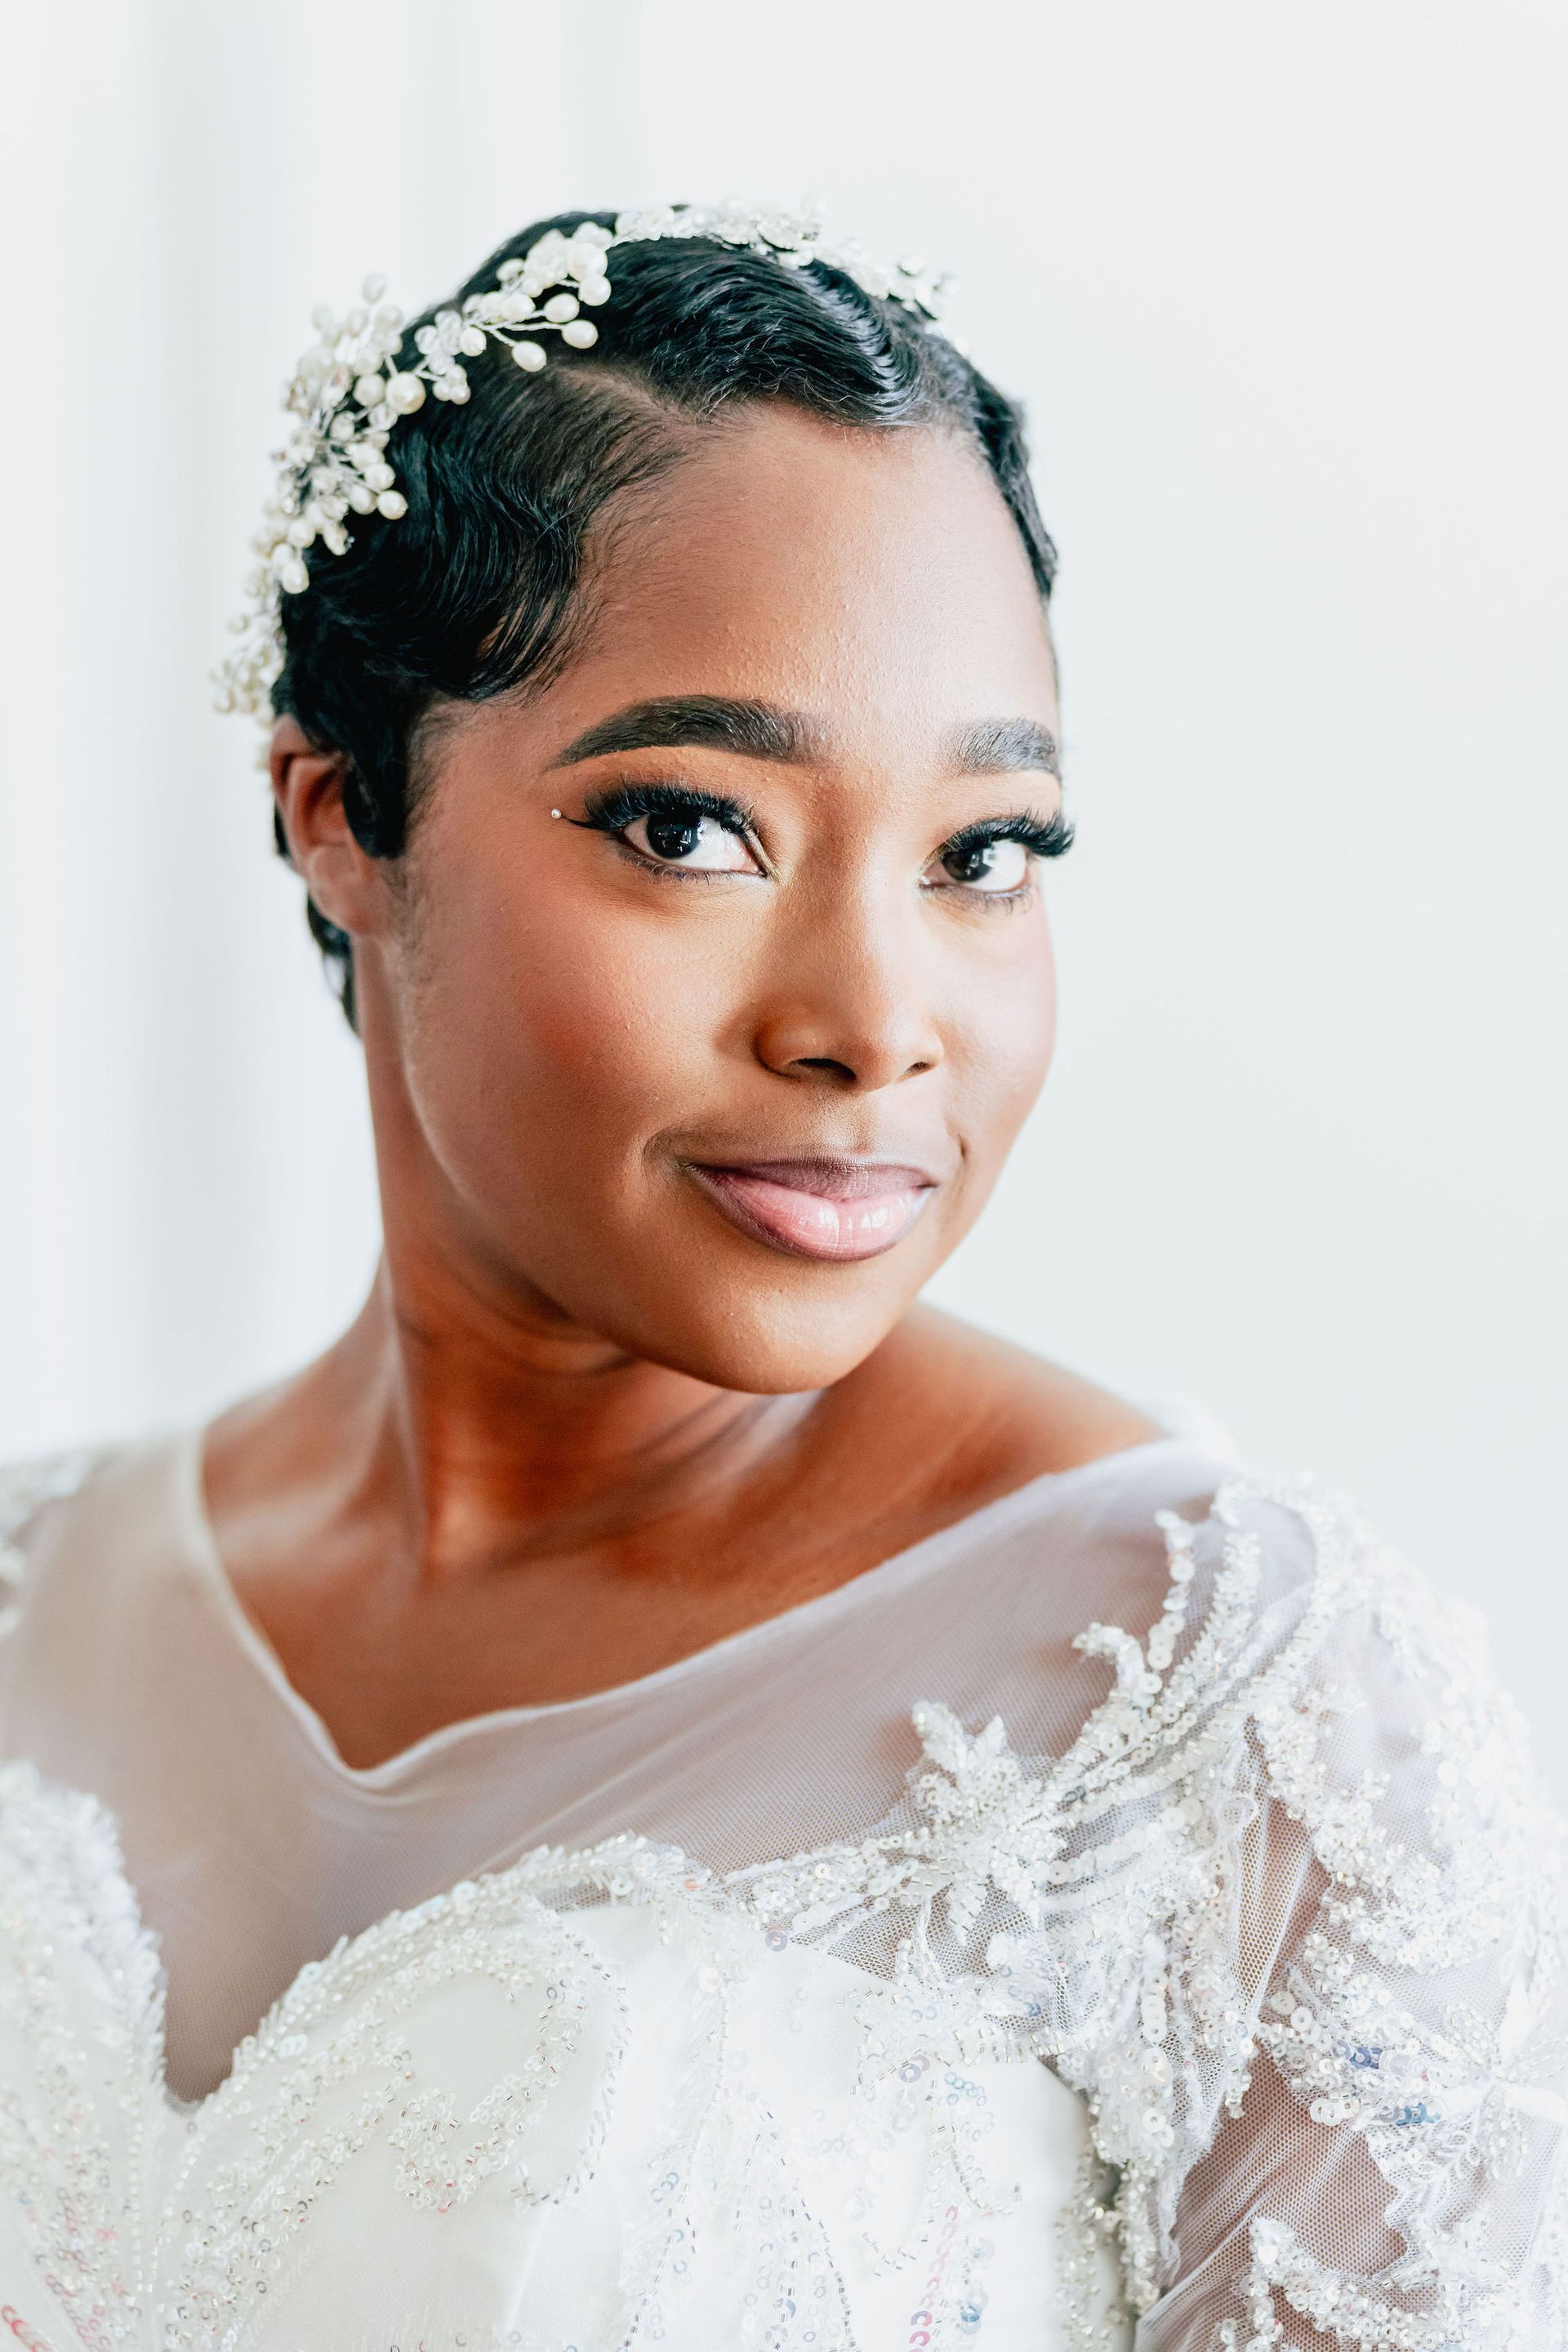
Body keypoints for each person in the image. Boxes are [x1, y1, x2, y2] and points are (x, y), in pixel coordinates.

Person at [0, 204, 1559, 2352]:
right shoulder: (29, 1583)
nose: (874, 1020)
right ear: (340, 807)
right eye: (694, 827)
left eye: (983, 856)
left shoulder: (1224, 1701)